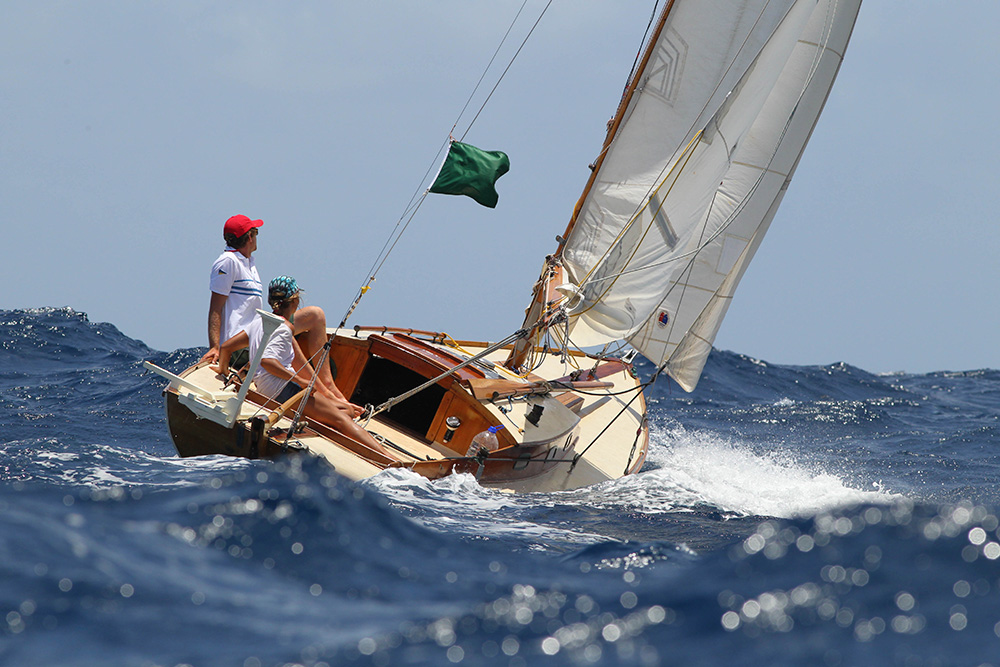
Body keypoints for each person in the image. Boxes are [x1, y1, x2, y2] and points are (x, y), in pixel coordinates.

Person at [215, 276, 393, 459]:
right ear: (296, 301)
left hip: (266, 390)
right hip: (284, 389)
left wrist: (224, 372)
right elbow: (268, 361)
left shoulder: (257, 322)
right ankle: (389, 458)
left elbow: (226, 347)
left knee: (345, 410)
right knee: (342, 419)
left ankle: (325, 414)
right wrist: (300, 380)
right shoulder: (284, 329)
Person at [200, 215, 334, 391]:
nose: (257, 237)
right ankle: (327, 391)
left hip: (256, 333)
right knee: (290, 330)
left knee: (315, 316)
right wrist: (215, 347)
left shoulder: (248, 263)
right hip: (241, 344)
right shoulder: (228, 262)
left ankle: (327, 387)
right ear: (249, 237)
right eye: (256, 233)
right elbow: (215, 308)